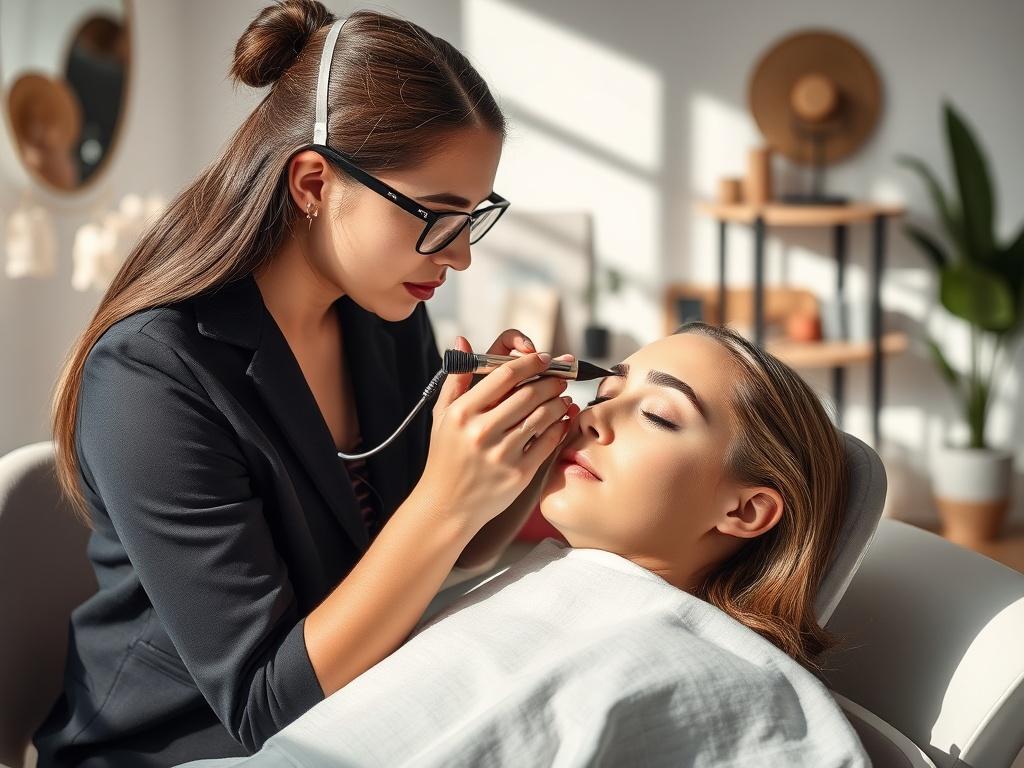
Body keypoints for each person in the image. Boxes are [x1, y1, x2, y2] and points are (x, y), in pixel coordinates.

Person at [36, 3, 578, 765]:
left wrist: (518, 446)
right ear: (314, 182)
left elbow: (440, 554)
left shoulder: (384, 320)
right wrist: (445, 495)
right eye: (435, 216)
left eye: (473, 217)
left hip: (357, 714)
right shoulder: (152, 376)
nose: (458, 259)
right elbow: (262, 701)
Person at [174, 323, 867, 768]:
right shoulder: (541, 578)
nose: (593, 417)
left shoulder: (719, 678)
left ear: (746, 509)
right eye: (607, 390)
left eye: (657, 413)